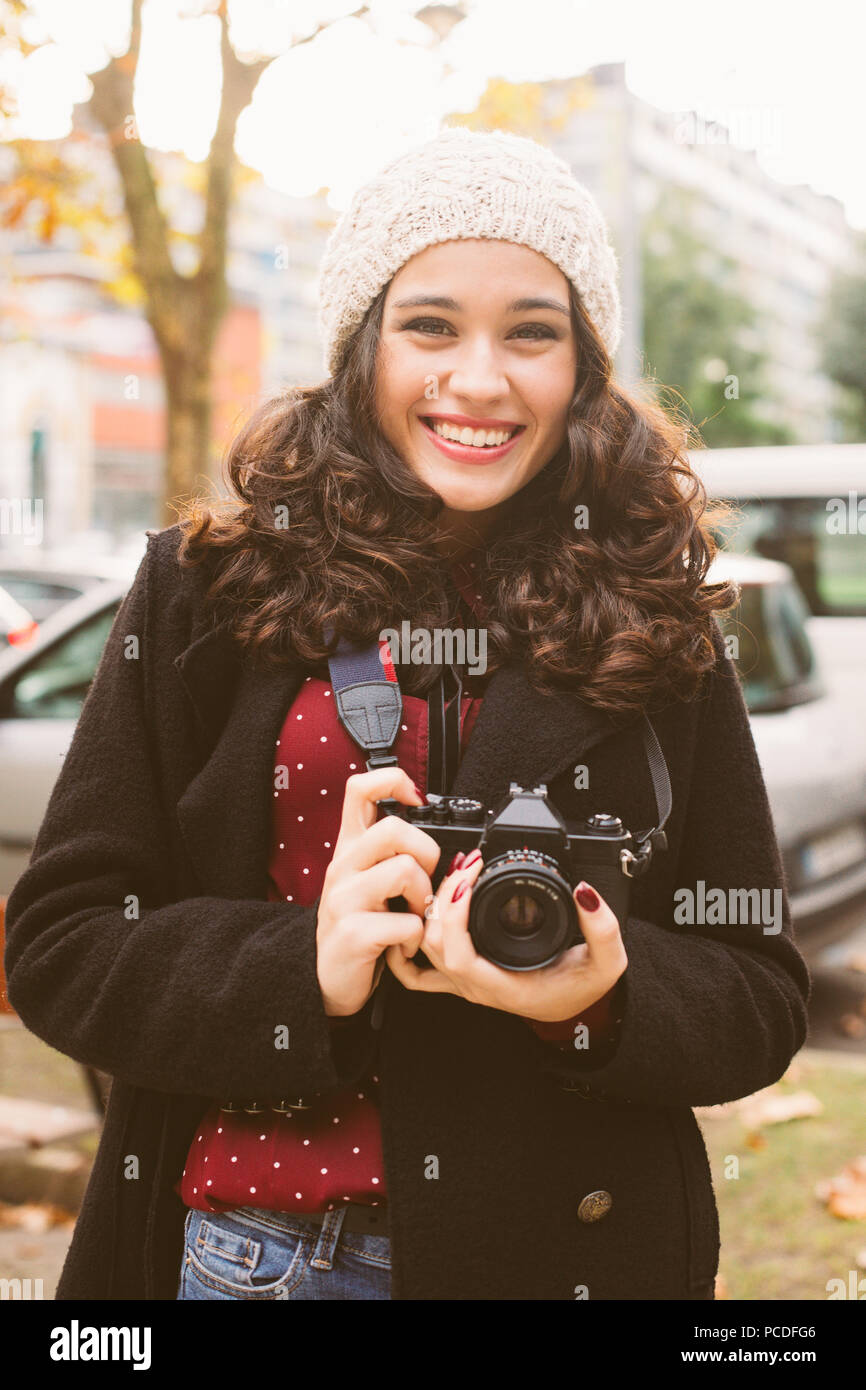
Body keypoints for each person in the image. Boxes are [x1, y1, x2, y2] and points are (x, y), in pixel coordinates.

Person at [4, 126, 810, 1302]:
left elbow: (758, 991)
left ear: (580, 363)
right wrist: (304, 965)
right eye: (428, 325)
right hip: (244, 1252)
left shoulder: (655, 611)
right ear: (359, 346)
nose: (477, 380)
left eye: (530, 331)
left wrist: (603, 996)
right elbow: (62, 944)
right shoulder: (206, 584)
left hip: (564, 1261)